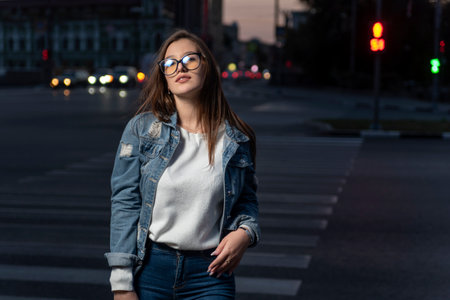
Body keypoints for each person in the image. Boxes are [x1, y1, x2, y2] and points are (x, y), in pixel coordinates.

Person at [104, 29, 260, 300]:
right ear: (164, 77)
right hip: (150, 270)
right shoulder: (141, 130)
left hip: (210, 274)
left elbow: (246, 200)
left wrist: (245, 233)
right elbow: (125, 203)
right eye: (170, 63)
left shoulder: (236, 138)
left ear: (206, 66)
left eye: (190, 59)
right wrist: (121, 284)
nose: (180, 67)